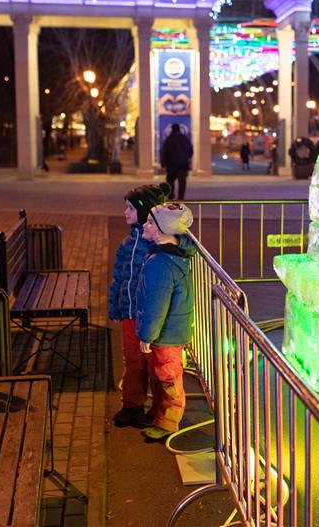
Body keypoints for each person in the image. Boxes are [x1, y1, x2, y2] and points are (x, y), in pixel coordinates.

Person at [108, 182, 171, 428]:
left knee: (154, 364)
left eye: (131, 209)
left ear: (144, 212)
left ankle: (158, 410)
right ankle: (132, 405)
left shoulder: (156, 244)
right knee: (132, 360)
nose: (125, 213)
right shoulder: (126, 244)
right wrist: (115, 305)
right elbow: (119, 278)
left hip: (149, 316)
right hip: (129, 313)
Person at [135, 203, 196, 441]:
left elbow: (156, 305)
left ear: (162, 230)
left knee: (168, 378)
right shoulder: (172, 256)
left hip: (165, 334)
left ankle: (168, 423)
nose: (145, 225)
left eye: (150, 222)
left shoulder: (160, 264)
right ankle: (160, 415)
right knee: (162, 375)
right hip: (170, 331)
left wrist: (147, 336)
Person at [160, 124, 192, 200]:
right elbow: (190, 149)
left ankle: (171, 196)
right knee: (182, 182)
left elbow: (164, 152)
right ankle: (181, 197)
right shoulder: (185, 138)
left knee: (170, 181)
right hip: (182, 165)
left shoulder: (168, 139)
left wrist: (163, 164)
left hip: (171, 165)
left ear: (172, 129)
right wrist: (188, 158)